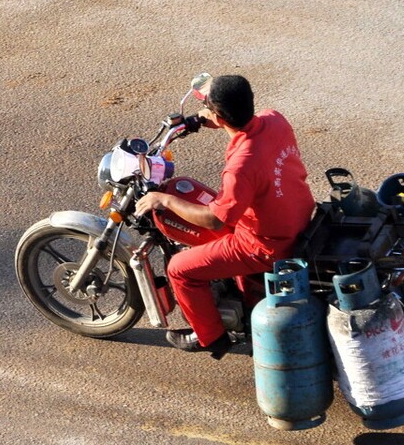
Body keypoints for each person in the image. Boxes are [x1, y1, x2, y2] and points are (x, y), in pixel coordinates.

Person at [134, 75, 316, 359]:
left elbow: (215, 220)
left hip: (266, 245)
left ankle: (211, 337)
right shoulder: (275, 120)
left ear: (219, 116)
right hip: (301, 217)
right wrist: (208, 120)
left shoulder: (241, 166)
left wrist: (164, 198)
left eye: (208, 107)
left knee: (180, 269)